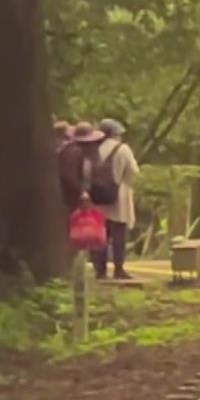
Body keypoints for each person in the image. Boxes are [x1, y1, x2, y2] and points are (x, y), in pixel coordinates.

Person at [91, 119, 140, 280]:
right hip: (119, 196)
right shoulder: (123, 149)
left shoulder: (94, 149)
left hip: (98, 197)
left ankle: (100, 270)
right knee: (119, 233)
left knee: (101, 234)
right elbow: (134, 172)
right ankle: (118, 269)